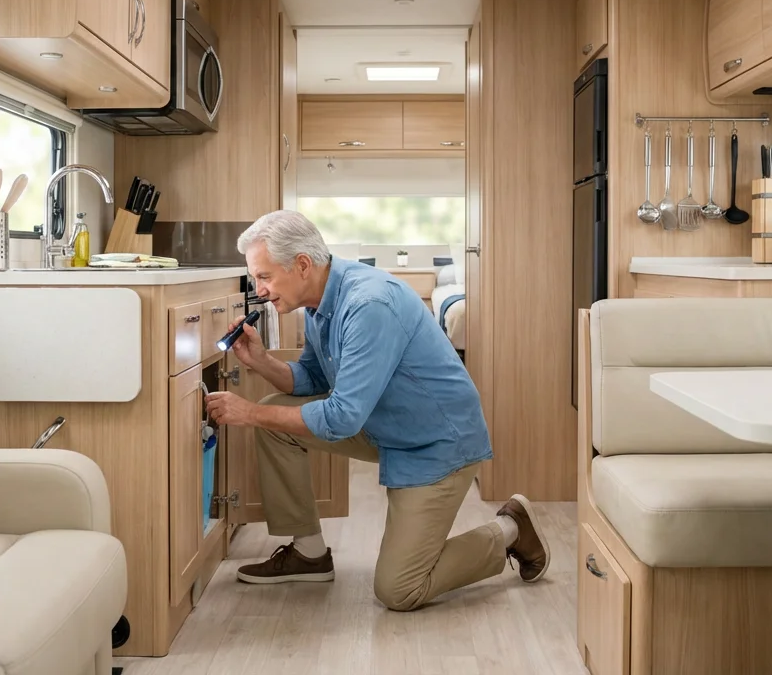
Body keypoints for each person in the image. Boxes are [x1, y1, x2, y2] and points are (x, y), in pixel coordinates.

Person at [204, 210, 549, 612]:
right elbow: (312, 378)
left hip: (437, 443)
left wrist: (248, 414)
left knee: (399, 589)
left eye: (264, 276)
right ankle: (309, 554)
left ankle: (511, 529)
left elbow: (341, 418)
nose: (259, 290)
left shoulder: (367, 305)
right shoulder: (319, 304)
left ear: (301, 265)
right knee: (273, 417)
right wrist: (260, 361)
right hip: (386, 425)